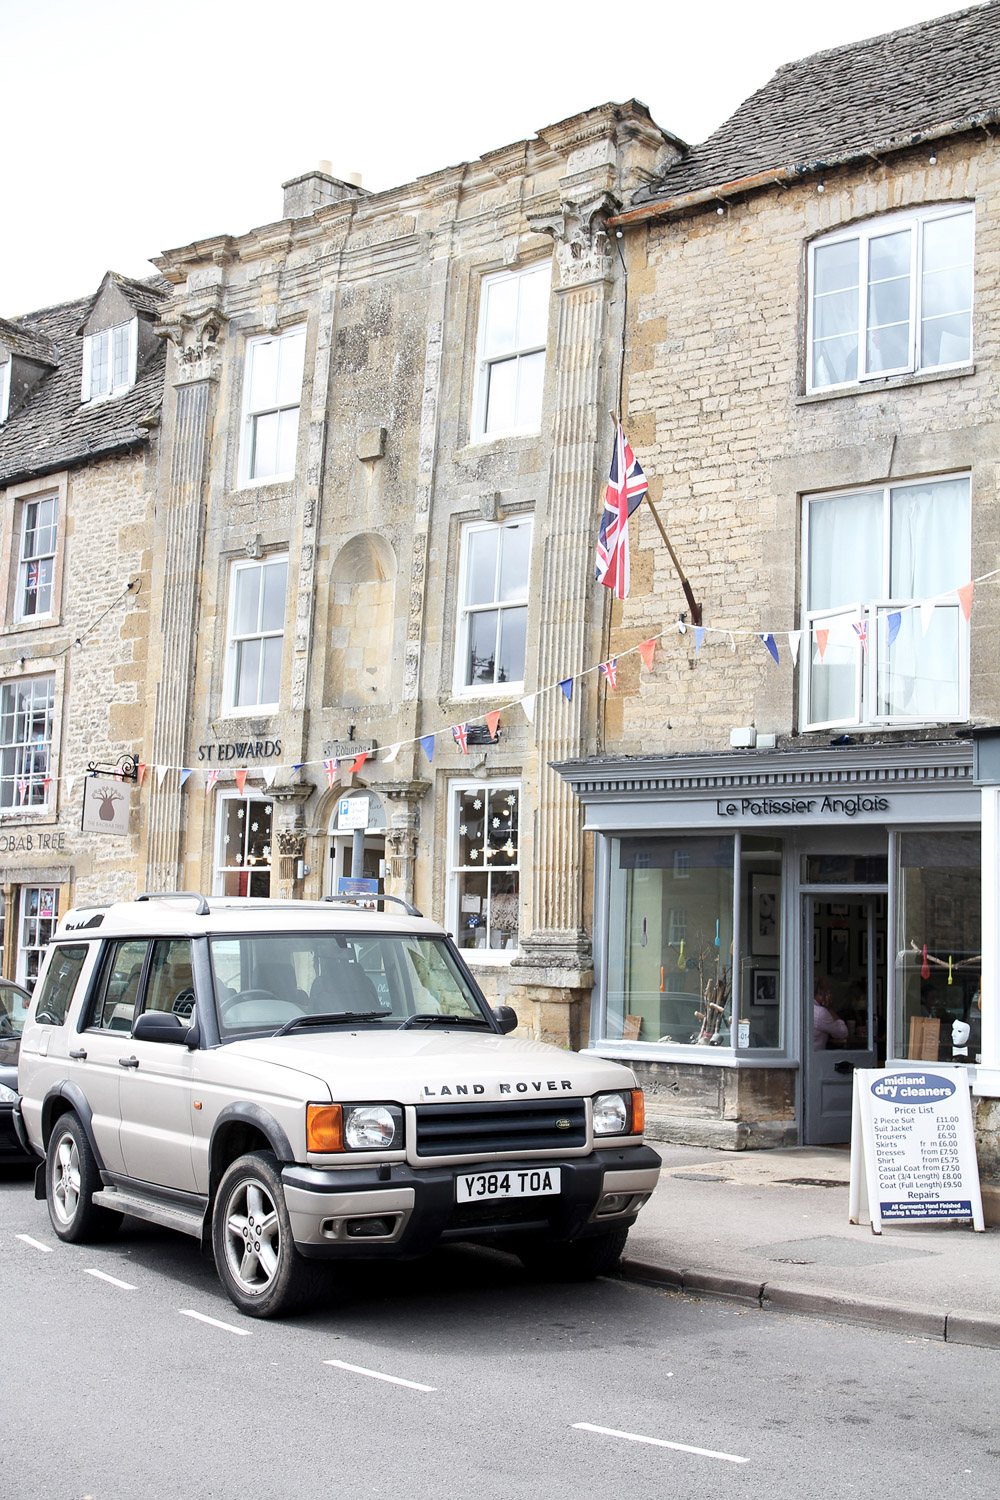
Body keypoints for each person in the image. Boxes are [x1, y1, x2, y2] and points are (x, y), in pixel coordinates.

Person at [813, 978, 849, 1050]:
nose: (831, 995)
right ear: (820, 992)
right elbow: (843, 1033)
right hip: (816, 1058)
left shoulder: (801, 1008)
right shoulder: (820, 1012)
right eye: (828, 991)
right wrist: (830, 1008)